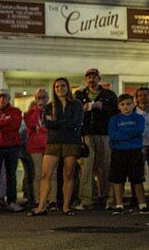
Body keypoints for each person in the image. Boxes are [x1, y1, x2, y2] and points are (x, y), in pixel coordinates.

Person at [31, 78, 84, 216]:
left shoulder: (76, 104)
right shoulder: (50, 106)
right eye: (57, 86)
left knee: (68, 174)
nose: (60, 89)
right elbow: (47, 124)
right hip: (53, 141)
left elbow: (76, 123)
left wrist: (57, 122)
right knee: (45, 174)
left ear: (68, 87)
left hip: (71, 142)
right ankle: (42, 205)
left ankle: (66, 206)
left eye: (63, 86)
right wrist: (63, 122)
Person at [74, 68, 118, 208]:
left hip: (104, 134)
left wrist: (102, 107)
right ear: (86, 79)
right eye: (89, 77)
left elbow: (115, 112)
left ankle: (108, 198)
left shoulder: (108, 94)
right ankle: (86, 199)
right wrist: (84, 108)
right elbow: (74, 112)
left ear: (99, 78)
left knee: (106, 166)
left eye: (94, 77)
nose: (91, 80)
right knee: (86, 168)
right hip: (86, 134)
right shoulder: (79, 95)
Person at [107, 94, 146, 213]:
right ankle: (119, 204)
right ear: (118, 106)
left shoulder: (139, 118)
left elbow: (138, 131)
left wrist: (122, 134)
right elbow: (113, 135)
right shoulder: (114, 119)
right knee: (118, 179)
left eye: (128, 104)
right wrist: (129, 134)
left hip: (135, 151)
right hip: (118, 152)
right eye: (123, 104)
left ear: (134, 104)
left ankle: (142, 204)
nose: (126, 107)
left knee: (137, 179)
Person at [24, 88, 54, 210]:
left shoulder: (53, 110)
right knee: (39, 174)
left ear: (48, 98)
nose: (41, 100)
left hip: (51, 144)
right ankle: (38, 199)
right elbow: (31, 123)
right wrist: (38, 110)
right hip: (35, 147)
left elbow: (52, 126)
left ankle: (52, 200)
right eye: (38, 98)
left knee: (52, 173)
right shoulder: (30, 113)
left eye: (43, 97)